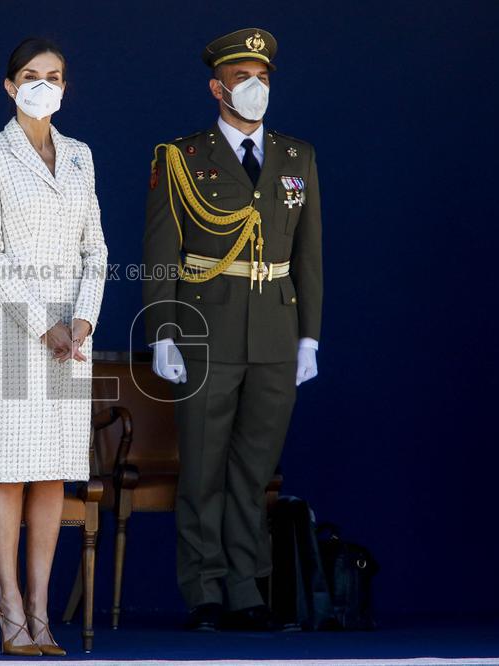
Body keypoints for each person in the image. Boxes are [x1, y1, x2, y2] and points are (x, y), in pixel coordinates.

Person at [142, 28, 322, 632]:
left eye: (263, 78)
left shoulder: (297, 157)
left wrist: (309, 337)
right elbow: (162, 252)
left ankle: (248, 588)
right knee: (202, 468)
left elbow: (309, 256)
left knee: (253, 471)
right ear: (217, 87)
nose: (255, 88)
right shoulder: (182, 158)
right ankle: (205, 590)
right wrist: (163, 331)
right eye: (243, 78)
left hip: (276, 331)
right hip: (205, 330)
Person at [0, 37, 107, 656]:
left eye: (53, 76)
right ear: (9, 85)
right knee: (9, 471)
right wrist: (41, 322)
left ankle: (44, 612)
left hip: (70, 340)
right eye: (30, 74)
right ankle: (11, 606)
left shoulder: (80, 156)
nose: (42, 84)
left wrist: (83, 319)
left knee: (53, 473)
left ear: (66, 87)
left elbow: (96, 249)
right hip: (12, 334)